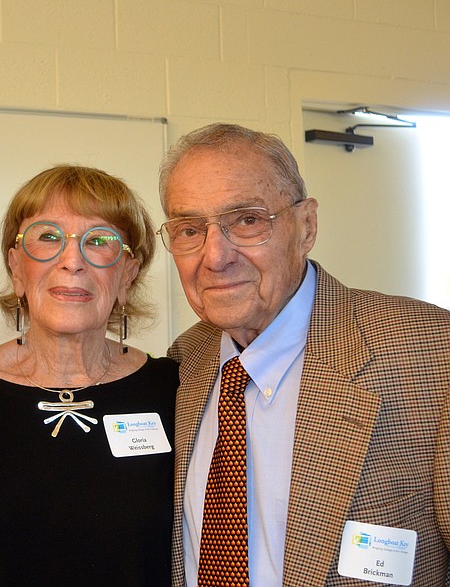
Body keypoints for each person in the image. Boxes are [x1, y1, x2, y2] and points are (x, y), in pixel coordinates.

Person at [160, 122, 450, 586]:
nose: (215, 256)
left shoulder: (431, 352)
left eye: (248, 220)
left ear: (306, 225)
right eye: (190, 229)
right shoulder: (183, 361)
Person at [0, 164, 178, 586]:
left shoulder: (176, 391)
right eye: (49, 236)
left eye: (100, 241)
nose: (73, 261)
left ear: (127, 274)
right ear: (17, 268)